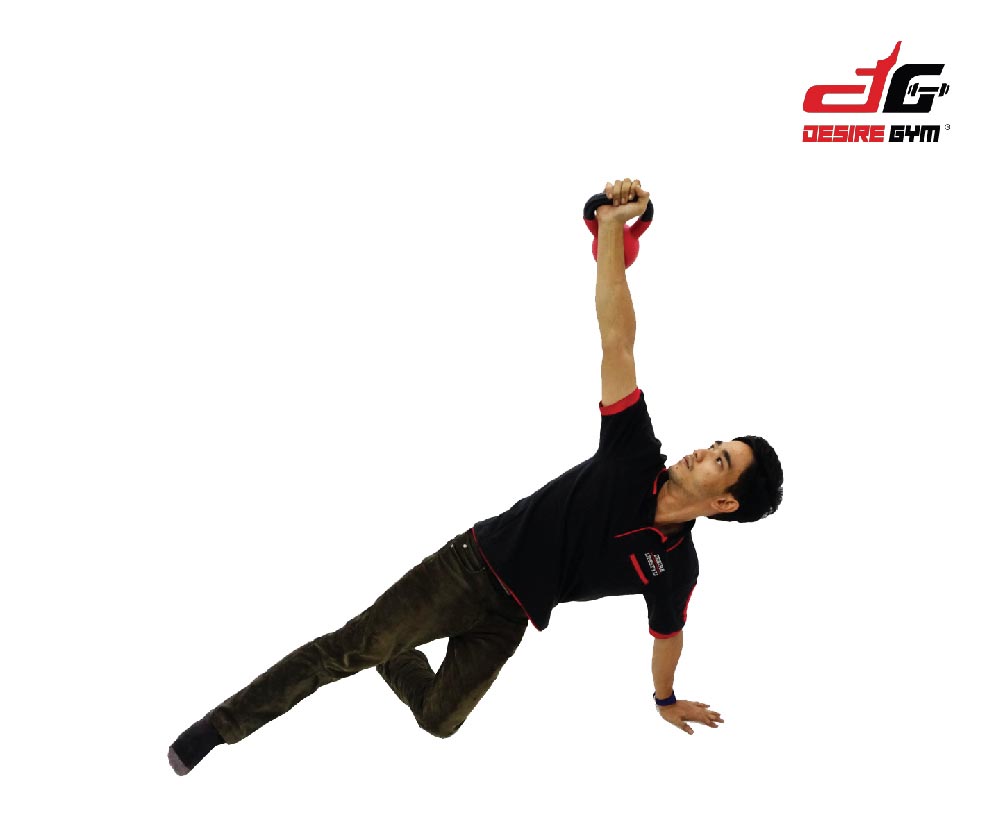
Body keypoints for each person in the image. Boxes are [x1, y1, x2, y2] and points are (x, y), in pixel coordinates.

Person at [168, 177, 784, 776]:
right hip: (471, 566)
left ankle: (392, 646)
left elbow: (668, 634)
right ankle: (218, 728)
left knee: (440, 720)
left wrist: (664, 698)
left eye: (720, 461)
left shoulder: (675, 568)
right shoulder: (633, 453)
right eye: (714, 445)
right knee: (346, 652)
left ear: (726, 503)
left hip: (510, 617)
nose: (702, 452)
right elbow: (616, 339)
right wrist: (608, 232)